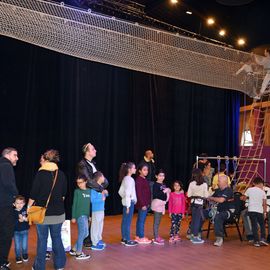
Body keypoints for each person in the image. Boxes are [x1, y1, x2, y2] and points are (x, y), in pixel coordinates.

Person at [28, 149, 67, 270]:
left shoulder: (40, 174)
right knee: (57, 238)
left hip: (42, 215)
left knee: (42, 241)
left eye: (41, 159)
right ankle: (60, 265)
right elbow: (63, 195)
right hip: (58, 214)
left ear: (45, 160)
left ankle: (39, 267)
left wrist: (29, 208)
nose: (40, 162)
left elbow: (33, 194)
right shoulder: (61, 174)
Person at [77, 143, 109, 248]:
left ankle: (92, 239)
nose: (95, 150)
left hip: (95, 193)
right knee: (90, 219)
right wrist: (101, 189)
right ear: (87, 152)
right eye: (93, 149)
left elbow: (101, 179)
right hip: (88, 194)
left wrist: (103, 186)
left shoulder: (93, 163)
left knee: (96, 219)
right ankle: (87, 241)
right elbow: (88, 181)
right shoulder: (82, 164)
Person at [0, 147, 19, 270]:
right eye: (15, 155)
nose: (17, 158)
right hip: (5, 205)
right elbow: (8, 184)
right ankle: (2, 262)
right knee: (6, 234)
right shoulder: (6, 166)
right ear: (7, 155)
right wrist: (16, 195)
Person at [207, 175, 235, 247]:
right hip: (218, 210)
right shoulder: (218, 190)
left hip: (228, 212)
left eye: (219, 181)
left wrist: (213, 198)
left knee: (218, 217)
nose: (217, 182)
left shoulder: (228, 190)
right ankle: (196, 233)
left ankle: (219, 238)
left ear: (224, 182)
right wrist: (211, 198)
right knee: (202, 213)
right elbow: (210, 199)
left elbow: (221, 200)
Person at [70, 177, 91, 260]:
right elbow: (74, 204)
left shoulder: (89, 191)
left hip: (86, 216)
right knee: (82, 233)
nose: (79, 184)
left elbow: (89, 205)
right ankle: (78, 253)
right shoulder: (77, 191)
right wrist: (73, 217)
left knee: (86, 234)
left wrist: (89, 215)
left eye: (81, 182)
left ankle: (74, 249)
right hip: (80, 216)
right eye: (78, 183)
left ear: (85, 181)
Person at [244, 177, 268, 247]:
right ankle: (263, 239)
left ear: (253, 183)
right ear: (261, 184)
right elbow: (264, 204)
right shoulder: (263, 191)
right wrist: (265, 213)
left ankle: (256, 241)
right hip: (259, 211)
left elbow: (244, 198)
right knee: (262, 225)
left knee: (254, 225)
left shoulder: (249, 189)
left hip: (251, 210)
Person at [118, 162, 138, 247]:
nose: (135, 169)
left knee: (125, 220)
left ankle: (124, 238)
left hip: (126, 202)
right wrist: (128, 204)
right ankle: (127, 240)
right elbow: (127, 192)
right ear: (129, 170)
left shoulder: (125, 178)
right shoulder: (130, 179)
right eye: (134, 168)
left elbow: (120, 192)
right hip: (129, 203)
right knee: (128, 221)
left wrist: (125, 200)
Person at [187, 168, 208, 244]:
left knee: (193, 220)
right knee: (197, 221)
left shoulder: (191, 184)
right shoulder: (204, 184)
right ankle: (195, 237)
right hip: (200, 204)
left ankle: (192, 235)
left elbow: (188, 195)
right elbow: (206, 195)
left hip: (193, 203)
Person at [151, 169, 170, 245]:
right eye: (160, 176)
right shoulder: (155, 184)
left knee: (158, 221)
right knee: (156, 221)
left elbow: (165, 194)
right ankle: (156, 237)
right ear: (156, 176)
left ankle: (157, 235)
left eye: (163, 176)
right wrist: (164, 191)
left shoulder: (163, 184)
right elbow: (156, 195)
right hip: (157, 205)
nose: (162, 177)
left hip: (161, 205)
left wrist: (168, 191)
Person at [90, 171, 108, 251]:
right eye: (103, 176)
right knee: (95, 226)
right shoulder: (94, 188)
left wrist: (105, 193)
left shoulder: (101, 187)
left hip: (101, 210)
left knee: (100, 225)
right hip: (96, 210)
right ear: (99, 178)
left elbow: (104, 195)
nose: (104, 178)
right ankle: (94, 243)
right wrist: (101, 197)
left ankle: (98, 239)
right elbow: (92, 200)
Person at [135, 163, 152, 244]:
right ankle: (141, 237)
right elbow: (139, 194)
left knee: (140, 220)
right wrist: (143, 204)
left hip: (145, 204)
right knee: (141, 221)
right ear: (139, 171)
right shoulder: (139, 180)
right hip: (142, 205)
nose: (146, 171)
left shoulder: (144, 179)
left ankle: (138, 236)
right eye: (144, 170)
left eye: (147, 170)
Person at [13, 195, 30, 264]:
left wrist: (26, 219)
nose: (19, 205)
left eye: (21, 203)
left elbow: (29, 219)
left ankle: (24, 254)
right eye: (17, 203)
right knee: (17, 245)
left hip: (25, 230)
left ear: (24, 203)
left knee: (24, 244)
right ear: (14, 204)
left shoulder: (25, 210)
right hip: (16, 231)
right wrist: (18, 220)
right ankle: (18, 256)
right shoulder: (12, 212)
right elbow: (11, 222)